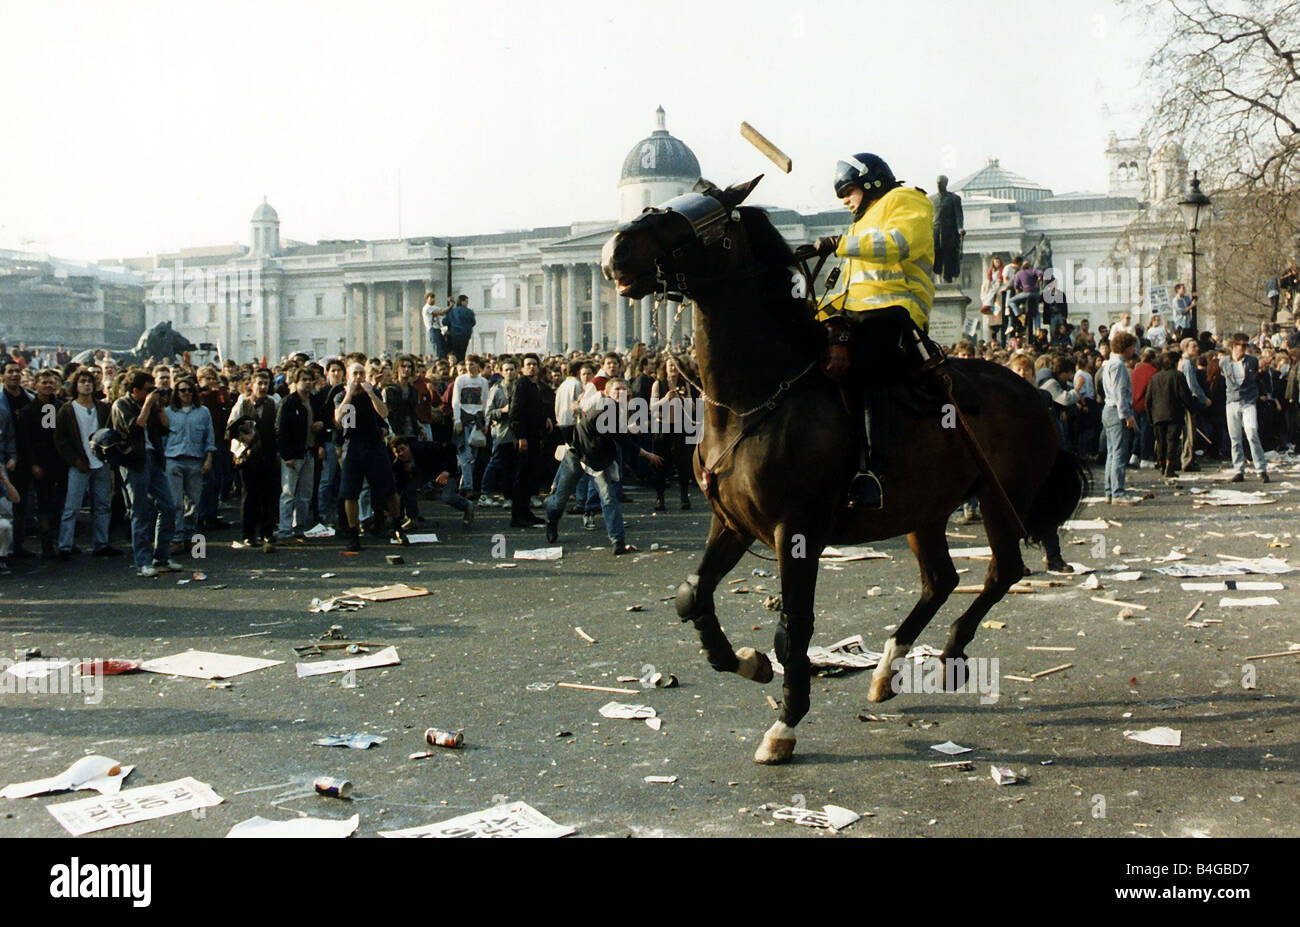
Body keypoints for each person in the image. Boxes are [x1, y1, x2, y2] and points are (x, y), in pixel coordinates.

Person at [810, 152, 936, 509]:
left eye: (848, 191)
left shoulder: (906, 199)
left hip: (896, 313)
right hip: (860, 315)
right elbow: (847, 291)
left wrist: (841, 244)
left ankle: (872, 472)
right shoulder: (858, 224)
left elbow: (899, 243)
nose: (846, 201)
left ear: (872, 182)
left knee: (860, 372)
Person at [544, 377, 662, 555]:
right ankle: (551, 520)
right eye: (617, 390)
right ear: (607, 393)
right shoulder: (607, 406)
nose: (621, 393)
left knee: (608, 497)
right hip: (578, 455)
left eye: (624, 390)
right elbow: (620, 439)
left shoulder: (620, 409)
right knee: (561, 497)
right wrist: (646, 454)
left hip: (599, 459)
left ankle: (618, 541)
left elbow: (622, 436)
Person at [111, 370, 182, 576]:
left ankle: (162, 556)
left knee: (168, 506)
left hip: (154, 459)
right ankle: (143, 561)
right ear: (135, 390)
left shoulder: (151, 406)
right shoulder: (121, 405)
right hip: (134, 461)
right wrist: (149, 404)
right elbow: (136, 427)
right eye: (148, 390)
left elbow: (165, 427)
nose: (153, 393)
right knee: (140, 511)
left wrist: (159, 407)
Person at [334, 361, 409, 552]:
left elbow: (384, 413)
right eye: (355, 374)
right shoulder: (342, 396)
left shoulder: (372, 393)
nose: (359, 378)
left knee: (389, 489)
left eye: (361, 374)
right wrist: (350, 393)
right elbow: (340, 420)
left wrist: (371, 393)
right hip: (353, 446)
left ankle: (398, 526)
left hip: (374, 445)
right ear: (348, 377)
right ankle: (353, 535)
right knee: (350, 493)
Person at [54, 367, 118, 558]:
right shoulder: (67, 409)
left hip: (101, 463)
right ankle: (65, 546)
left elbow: (111, 434)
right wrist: (74, 460)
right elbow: (60, 440)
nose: (86, 385)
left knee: (103, 505)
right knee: (71, 507)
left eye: (89, 381)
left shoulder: (103, 408)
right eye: (82, 381)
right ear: (75, 385)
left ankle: (101, 543)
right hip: (79, 464)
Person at [16, 370, 68, 558]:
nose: (48, 386)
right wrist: (33, 464)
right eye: (44, 383)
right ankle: (47, 544)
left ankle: (61, 540)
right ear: (36, 385)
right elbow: (25, 442)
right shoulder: (28, 411)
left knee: (59, 502)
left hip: (59, 461)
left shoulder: (60, 406)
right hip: (40, 462)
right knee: (44, 501)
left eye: (51, 382)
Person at [226, 369, 280, 552]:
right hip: (248, 458)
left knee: (269, 496)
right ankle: (248, 534)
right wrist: (244, 437)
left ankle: (267, 532)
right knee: (250, 497)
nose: (263, 387)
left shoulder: (274, 403)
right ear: (252, 385)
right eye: (260, 384)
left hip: (269, 456)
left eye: (266, 384)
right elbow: (230, 428)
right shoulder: (243, 403)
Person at [163, 376, 216, 554]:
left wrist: (209, 458)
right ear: (176, 393)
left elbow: (209, 437)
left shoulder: (203, 412)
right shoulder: (168, 412)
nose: (186, 393)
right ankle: (177, 537)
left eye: (189, 390)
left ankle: (191, 536)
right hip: (174, 460)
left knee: (194, 502)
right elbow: (163, 438)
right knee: (175, 502)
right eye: (182, 390)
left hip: (195, 460)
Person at [275, 368, 320, 542]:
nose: (308, 383)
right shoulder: (288, 402)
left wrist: (320, 426)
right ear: (296, 381)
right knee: (288, 493)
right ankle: (285, 530)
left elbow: (321, 419)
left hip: (309, 451)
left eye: (310, 379)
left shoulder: (314, 401)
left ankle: (299, 527)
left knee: (305, 494)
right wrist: (286, 456)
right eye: (304, 379)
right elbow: (280, 430)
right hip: (293, 454)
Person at [1223, 333, 1270, 482]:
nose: (1243, 348)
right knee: (1235, 438)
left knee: (1252, 434)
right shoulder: (1224, 362)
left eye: (1245, 345)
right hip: (1232, 401)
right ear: (1233, 346)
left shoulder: (1252, 361)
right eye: (1241, 345)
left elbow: (1256, 378)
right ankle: (1238, 469)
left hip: (1248, 401)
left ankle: (1261, 468)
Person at [1100, 331, 1141, 504]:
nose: (1134, 350)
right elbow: (1119, 392)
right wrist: (1127, 414)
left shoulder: (1108, 364)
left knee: (1112, 452)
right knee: (1118, 453)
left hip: (1108, 409)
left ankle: (1110, 491)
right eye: (1132, 346)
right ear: (1126, 347)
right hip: (1116, 410)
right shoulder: (1119, 365)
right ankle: (1118, 492)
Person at [1147, 349, 1195, 478]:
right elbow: (1185, 395)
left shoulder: (1154, 378)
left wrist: (1150, 417)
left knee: (1160, 440)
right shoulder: (1178, 376)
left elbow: (1149, 399)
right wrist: (1191, 408)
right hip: (1174, 413)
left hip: (1157, 414)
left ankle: (1161, 463)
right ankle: (1169, 465)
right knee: (1172, 440)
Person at [1177, 337, 1212, 471]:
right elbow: (1192, 384)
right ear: (1186, 348)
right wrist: (1204, 398)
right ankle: (1187, 460)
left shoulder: (1185, 362)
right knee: (1189, 431)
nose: (1197, 349)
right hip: (1188, 401)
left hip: (1184, 400)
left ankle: (1186, 458)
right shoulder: (1187, 364)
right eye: (1194, 346)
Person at [443, 295, 476, 361]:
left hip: (454, 335)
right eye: (466, 301)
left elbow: (444, 322)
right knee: (462, 353)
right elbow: (473, 322)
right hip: (465, 335)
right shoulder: (469, 312)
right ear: (462, 302)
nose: (467, 303)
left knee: (454, 353)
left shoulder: (452, 311)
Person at [421, 293, 447, 359]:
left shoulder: (434, 307)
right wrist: (451, 306)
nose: (433, 300)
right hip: (432, 329)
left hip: (438, 329)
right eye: (431, 298)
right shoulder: (427, 308)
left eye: (433, 298)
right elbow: (441, 312)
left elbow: (443, 311)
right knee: (438, 348)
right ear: (426, 299)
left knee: (442, 347)